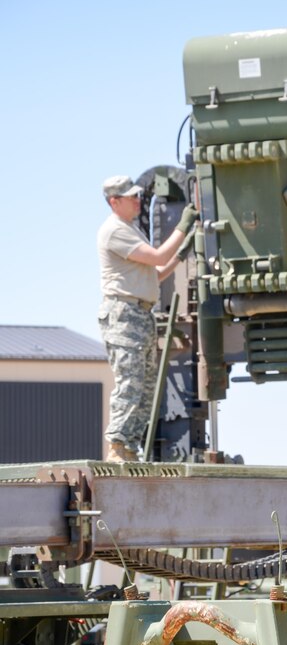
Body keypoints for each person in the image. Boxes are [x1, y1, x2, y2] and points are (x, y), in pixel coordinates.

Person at [97, 175, 199, 463]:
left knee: (145, 386)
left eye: (137, 195)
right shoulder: (115, 231)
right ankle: (118, 446)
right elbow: (155, 257)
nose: (137, 200)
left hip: (139, 314)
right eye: (130, 197)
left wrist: (179, 255)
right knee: (130, 382)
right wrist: (182, 225)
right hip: (125, 314)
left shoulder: (130, 229)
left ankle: (129, 446)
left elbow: (154, 275)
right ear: (114, 202)